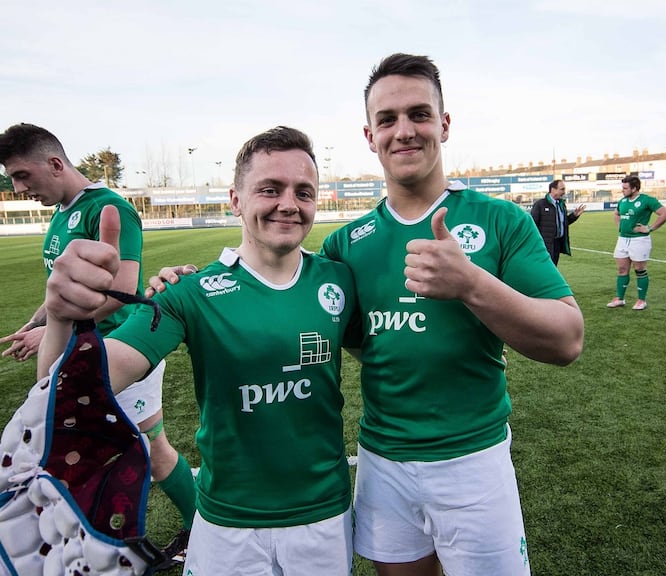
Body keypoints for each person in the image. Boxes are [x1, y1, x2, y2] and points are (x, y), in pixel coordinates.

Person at [148, 53, 584, 576]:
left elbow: (567, 340)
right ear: (369, 134)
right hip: (384, 462)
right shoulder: (346, 246)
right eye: (388, 119)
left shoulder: (501, 219)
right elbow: (339, 328)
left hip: (474, 459)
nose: (404, 131)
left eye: (420, 114)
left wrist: (470, 284)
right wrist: (179, 284)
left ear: (444, 125)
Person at [38, 126, 358, 575]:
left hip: (323, 518)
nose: (289, 203)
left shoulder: (340, 281)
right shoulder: (189, 293)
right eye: (270, 189)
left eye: (303, 192)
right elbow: (65, 387)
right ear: (236, 199)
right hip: (227, 524)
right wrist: (60, 316)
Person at [0, 123, 195, 566]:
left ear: (55, 164)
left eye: (23, 175)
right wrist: (39, 320)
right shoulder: (63, 213)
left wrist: (55, 327)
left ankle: (196, 531)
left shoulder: (108, 208)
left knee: (150, 451)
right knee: (113, 450)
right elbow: (62, 289)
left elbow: (123, 287)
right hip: (83, 353)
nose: (19, 187)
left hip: (121, 349)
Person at [606, 174, 666, 311]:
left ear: (634, 188)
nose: (622, 190)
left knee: (639, 270)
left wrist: (650, 228)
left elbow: (665, 214)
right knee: (622, 269)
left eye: (625, 188)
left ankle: (641, 300)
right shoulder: (623, 201)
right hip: (623, 239)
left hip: (639, 240)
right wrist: (620, 226)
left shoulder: (647, 200)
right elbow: (616, 214)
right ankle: (620, 298)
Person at [530, 179, 585, 265]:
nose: (564, 192)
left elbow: (563, 223)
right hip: (545, 244)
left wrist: (574, 215)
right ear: (553, 189)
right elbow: (532, 225)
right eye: (562, 189)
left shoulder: (561, 204)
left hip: (557, 243)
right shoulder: (540, 204)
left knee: (553, 268)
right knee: (545, 268)